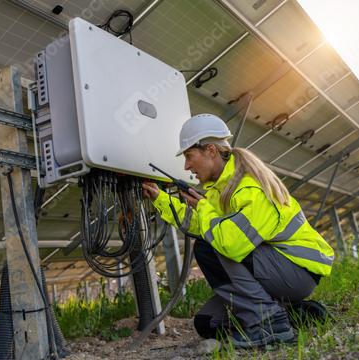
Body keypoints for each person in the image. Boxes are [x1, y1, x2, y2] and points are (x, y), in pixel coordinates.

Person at [142, 114, 334, 348]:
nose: (186, 166)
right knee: (208, 324)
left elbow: (230, 245)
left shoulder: (250, 187)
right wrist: (160, 199)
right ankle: (291, 312)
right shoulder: (219, 187)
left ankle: (270, 322)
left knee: (208, 247)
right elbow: (199, 224)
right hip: (275, 271)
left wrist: (203, 206)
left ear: (211, 150)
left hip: (296, 271)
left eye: (189, 156)